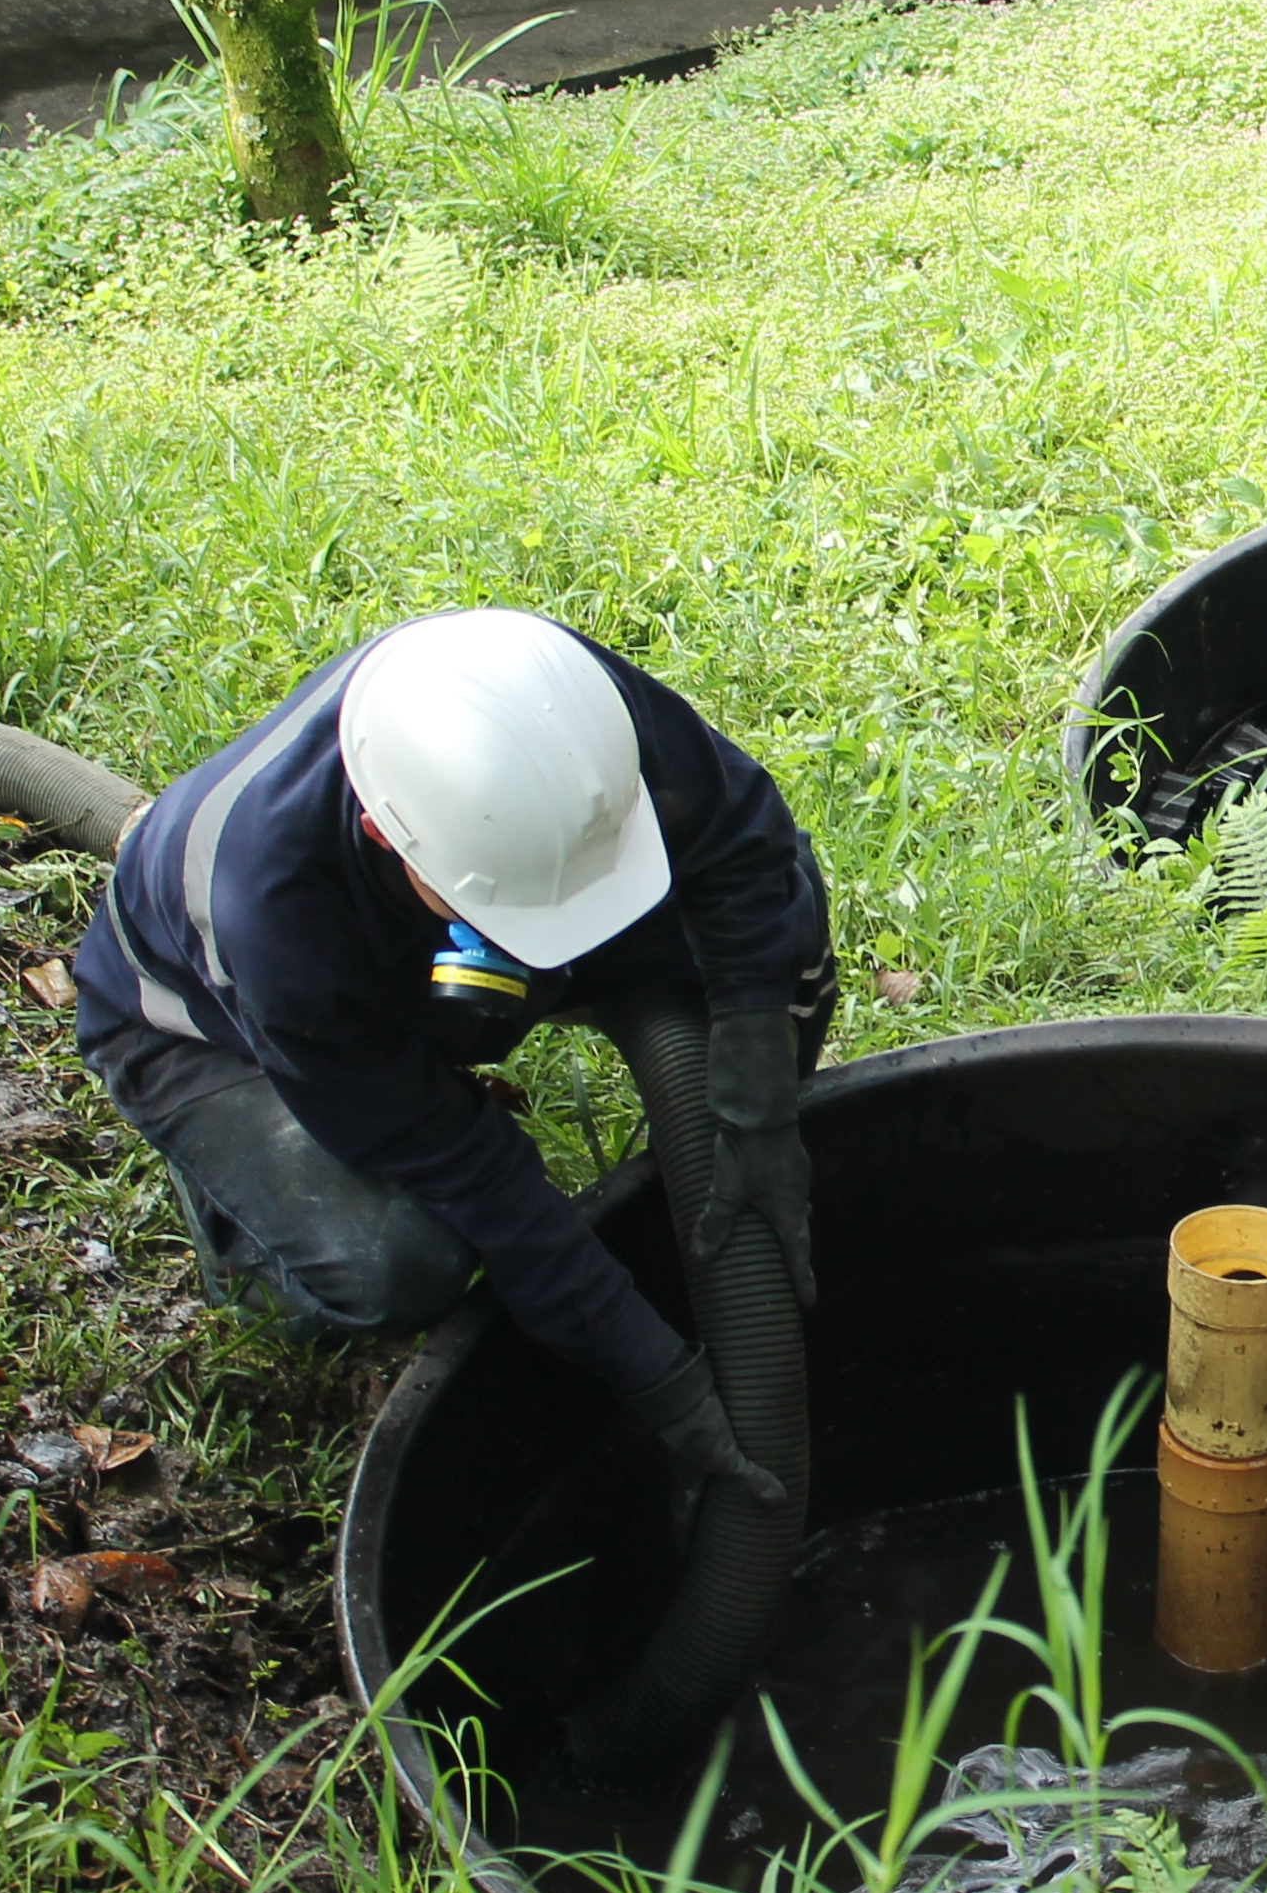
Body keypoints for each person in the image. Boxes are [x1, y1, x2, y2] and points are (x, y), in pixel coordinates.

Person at [67, 608, 833, 1521]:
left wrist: (757, 1100)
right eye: (516, 911)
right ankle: (240, 1221)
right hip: (194, 1033)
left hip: (428, 948)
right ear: (384, 835)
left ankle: (722, 1175)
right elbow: (484, 1185)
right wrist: (658, 1379)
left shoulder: (553, 705)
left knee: (781, 941)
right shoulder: (279, 925)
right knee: (396, 1265)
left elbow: (741, 841)